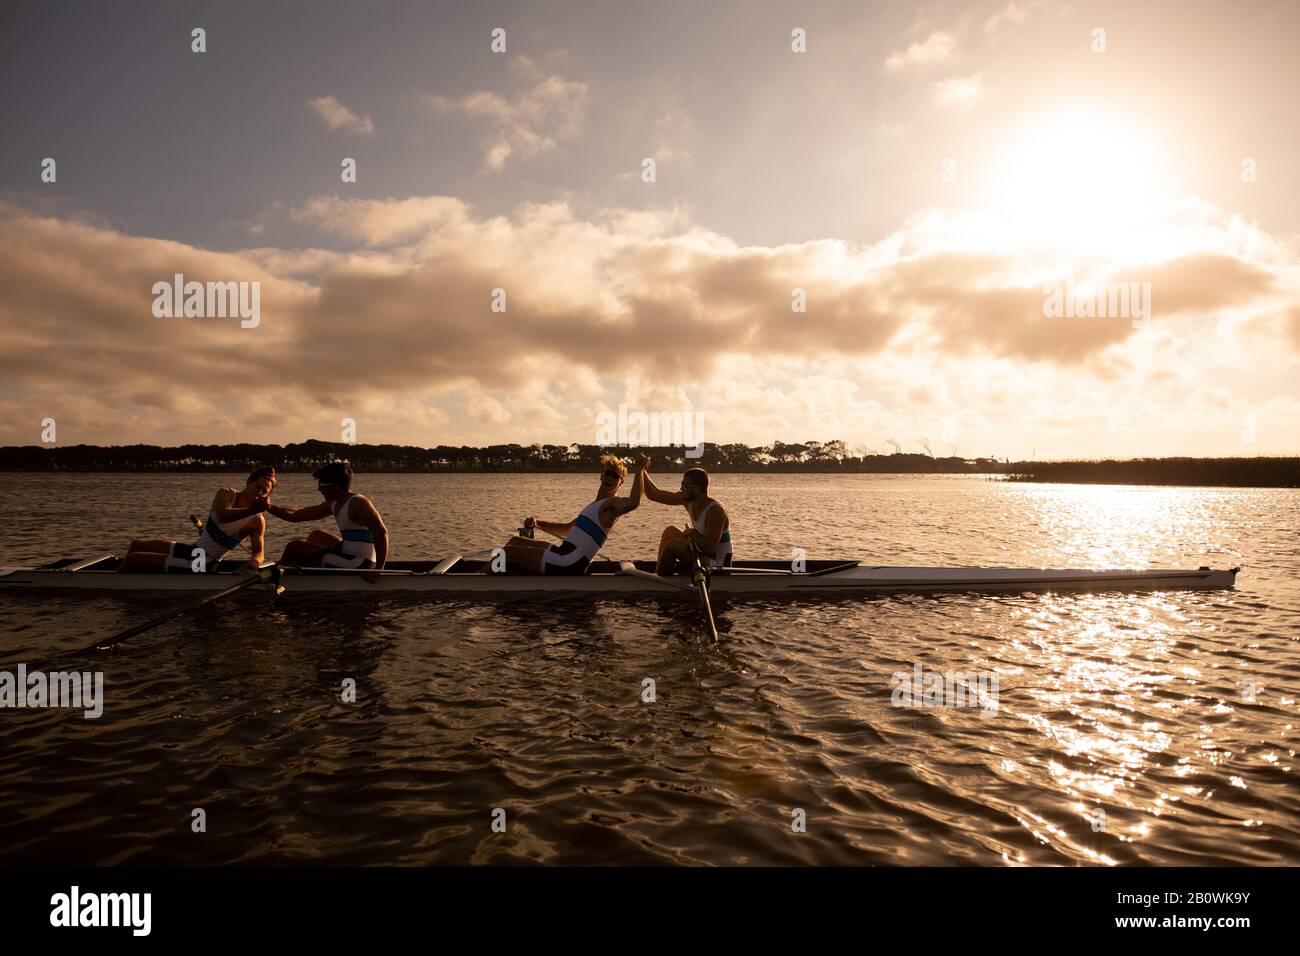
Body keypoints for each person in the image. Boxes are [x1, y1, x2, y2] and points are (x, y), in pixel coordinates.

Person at [500, 455, 641, 574]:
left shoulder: (612, 505)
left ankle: (485, 579)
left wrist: (640, 470)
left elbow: (633, 502)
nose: (610, 478)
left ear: (621, 483)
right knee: (514, 542)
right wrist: (537, 523)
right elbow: (566, 529)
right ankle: (500, 575)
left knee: (506, 554)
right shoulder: (593, 505)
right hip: (564, 553)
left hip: (569, 562)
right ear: (601, 475)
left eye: (615, 476)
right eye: (608, 473)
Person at [119, 466, 276, 573]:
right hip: (194, 551)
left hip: (204, 563)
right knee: (135, 545)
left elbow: (258, 553)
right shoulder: (226, 494)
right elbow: (222, 516)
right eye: (258, 487)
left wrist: (253, 564)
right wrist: (250, 510)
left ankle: (114, 585)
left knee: (134, 559)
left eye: (264, 492)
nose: (259, 493)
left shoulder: (256, 520)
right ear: (248, 482)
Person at [266, 462, 388, 570]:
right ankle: (290, 566)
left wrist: (379, 570)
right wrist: (268, 506)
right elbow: (296, 515)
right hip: (350, 553)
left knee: (294, 547)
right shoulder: (333, 503)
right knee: (316, 535)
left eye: (322, 486)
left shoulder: (358, 503)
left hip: (361, 564)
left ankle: (282, 576)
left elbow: (381, 532)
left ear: (334, 486)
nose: (319, 489)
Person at [636, 454, 732, 574]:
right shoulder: (687, 500)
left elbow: (710, 547)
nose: (681, 488)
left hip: (718, 564)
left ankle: (661, 583)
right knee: (670, 532)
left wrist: (693, 533)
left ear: (696, 489)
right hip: (702, 555)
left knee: (673, 546)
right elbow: (654, 494)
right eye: (682, 484)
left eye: (685, 486)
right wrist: (641, 469)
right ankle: (658, 574)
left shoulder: (716, 511)